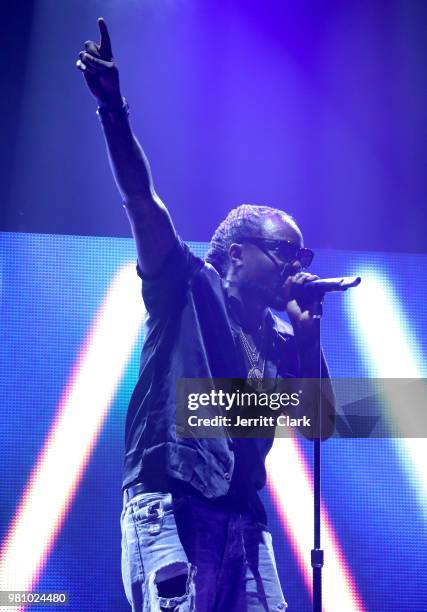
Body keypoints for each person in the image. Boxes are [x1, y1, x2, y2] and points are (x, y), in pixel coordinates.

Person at [77, 18, 334, 612]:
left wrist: (306, 331)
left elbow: (318, 425)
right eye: (283, 252)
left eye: (301, 256)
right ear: (236, 253)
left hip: (243, 521)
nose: (294, 265)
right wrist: (113, 111)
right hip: (172, 503)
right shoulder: (185, 286)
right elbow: (143, 201)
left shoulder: (275, 337)